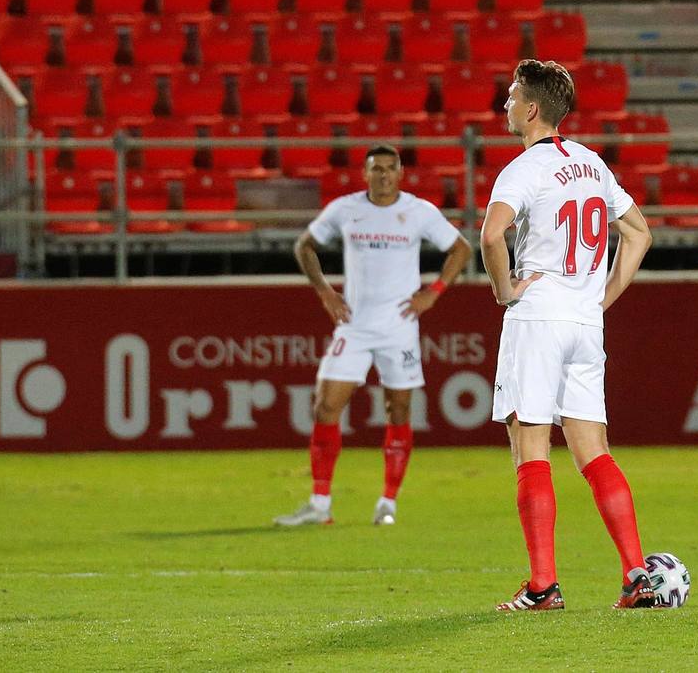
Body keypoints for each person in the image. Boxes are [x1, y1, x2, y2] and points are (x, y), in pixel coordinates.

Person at [478, 60, 655, 611]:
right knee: (593, 453)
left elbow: (490, 235)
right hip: (584, 324)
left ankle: (542, 586)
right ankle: (635, 575)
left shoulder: (523, 170)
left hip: (537, 320)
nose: (505, 106)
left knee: (530, 449)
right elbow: (639, 233)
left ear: (531, 109)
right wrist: (598, 299)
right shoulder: (591, 164)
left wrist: (505, 290)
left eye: (510, 97)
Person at [274, 144, 473, 527]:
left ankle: (387, 503)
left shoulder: (418, 212)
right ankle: (319, 504)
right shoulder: (346, 209)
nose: (382, 175)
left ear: (400, 174)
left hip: (399, 328)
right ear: (365, 174)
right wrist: (324, 292)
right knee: (325, 407)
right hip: (355, 325)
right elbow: (305, 245)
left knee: (397, 410)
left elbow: (461, 250)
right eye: (375, 168)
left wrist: (433, 293)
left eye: (389, 168)